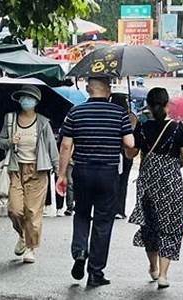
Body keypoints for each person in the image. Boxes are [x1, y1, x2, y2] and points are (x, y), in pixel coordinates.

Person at [56, 77, 135, 287]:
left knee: (81, 214)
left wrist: (61, 175)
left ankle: (80, 251)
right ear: (108, 90)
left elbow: (65, 146)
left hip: (82, 171)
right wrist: (128, 127)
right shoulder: (119, 113)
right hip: (108, 173)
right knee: (103, 221)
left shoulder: (75, 112)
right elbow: (130, 143)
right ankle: (95, 272)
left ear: (88, 89)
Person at [126, 87, 183, 289]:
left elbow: (130, 154)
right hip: (170, 183)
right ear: (167, 104)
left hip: (147, 183)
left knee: (150, 226)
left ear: (149, 107)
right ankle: (163, 274)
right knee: (170, 227)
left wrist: (129, 132)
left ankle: (152, 267)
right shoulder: (177, 129)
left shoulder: (142, 127)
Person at [0, 84, 59, 263]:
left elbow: (51, 148)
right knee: (14, 210)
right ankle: (22, 235)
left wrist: (59, 173)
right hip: (16, 169)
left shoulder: (43, 123)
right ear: (19, 100)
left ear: (36, 102)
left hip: (38, 170)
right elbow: (0, 142)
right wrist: (10, 141)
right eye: (23, 97)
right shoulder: (10, 119)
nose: (26, 100)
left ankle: (31, 248)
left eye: (30, 98)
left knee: (33, 211)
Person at [110, 92, 135, 219]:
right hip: (126, 154)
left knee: (111, 181)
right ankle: (120, 209)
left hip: (113, 152)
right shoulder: (130, 117)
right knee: (123, 181)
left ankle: (112, 208)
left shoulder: (110, 116)